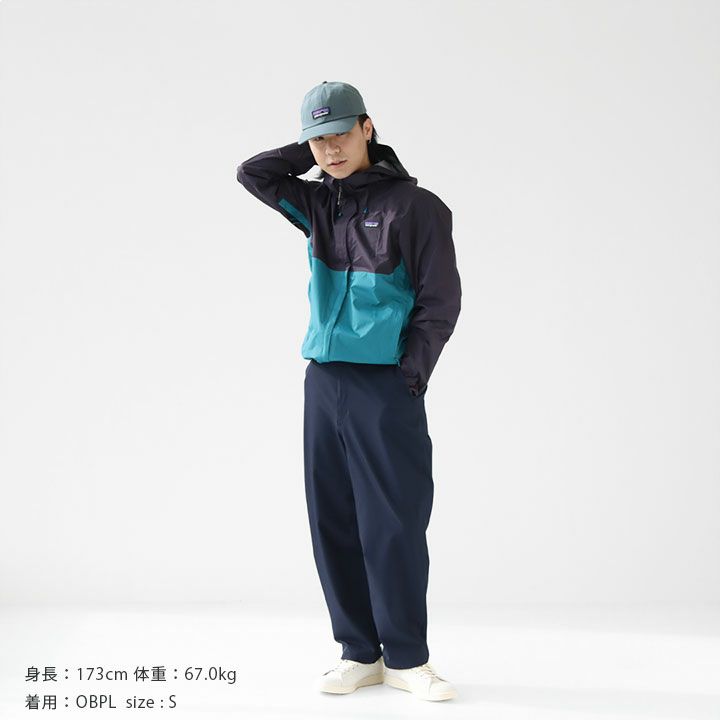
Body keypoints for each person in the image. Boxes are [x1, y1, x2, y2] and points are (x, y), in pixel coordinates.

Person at [236, 81, 462, 702]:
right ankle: (359, 652)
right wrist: (309, 148)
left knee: (394, 521)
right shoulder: (317, 204)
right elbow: (254, 174)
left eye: (340, 133)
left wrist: (409, 373)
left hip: (384, 383)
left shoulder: (417, 207)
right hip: (324, 381)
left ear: (368, 127)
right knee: (332, 518)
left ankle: (408, 658)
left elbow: (441, 301)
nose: (330, 149)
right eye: (319, 140)